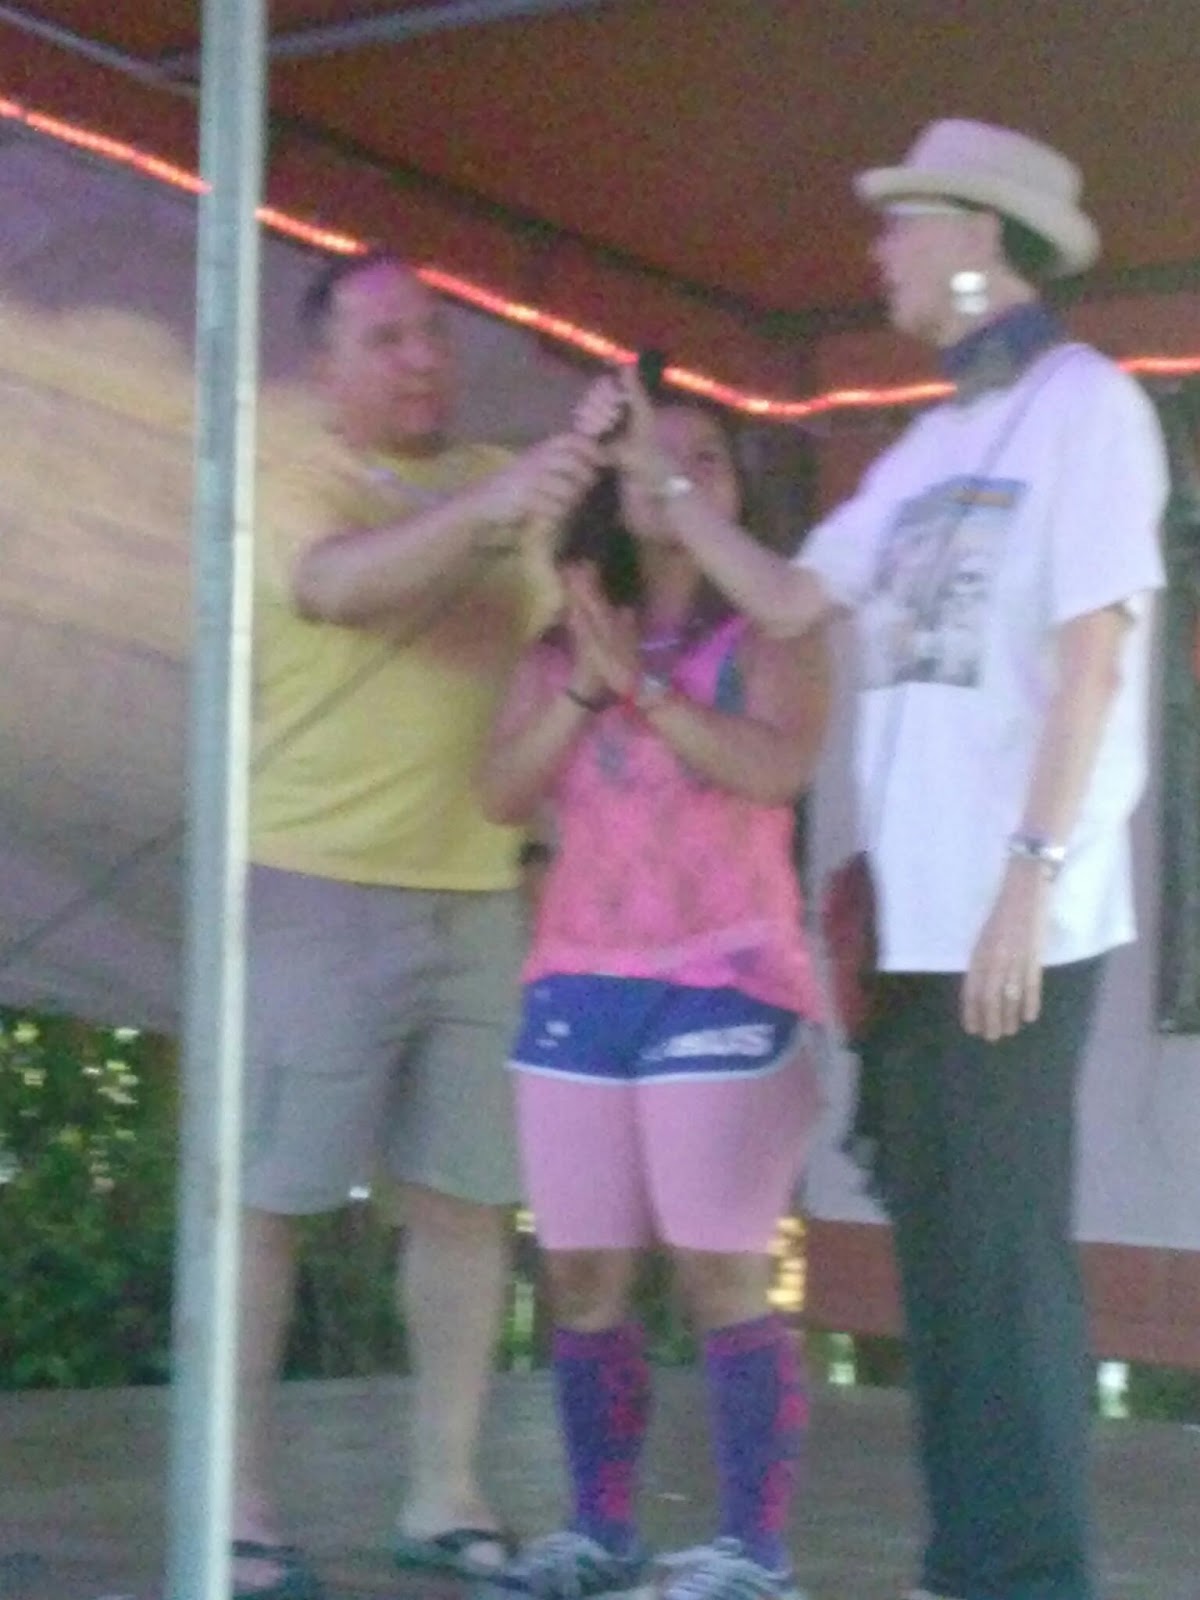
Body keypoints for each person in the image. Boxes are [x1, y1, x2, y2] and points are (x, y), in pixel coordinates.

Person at [590, 122, 1169, 1600]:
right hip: (911, 924)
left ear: (978, 233)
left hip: (1019, 916)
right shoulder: (931, 444)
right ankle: (968, 1561)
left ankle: (1026, 1575)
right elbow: (790, 597)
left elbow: (1094, 657)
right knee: (944, 1258)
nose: (878, 253)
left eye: (902, 223)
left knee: (1001, 1254)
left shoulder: (1089, 408)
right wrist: (666, 489)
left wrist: (1031, 874)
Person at [236, 252, 600, 1600]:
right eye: (386, 337)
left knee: (467, 1200)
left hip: (482, 885)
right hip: (311, 882)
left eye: (435, 334)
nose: (420, 359)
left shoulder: (506, 479)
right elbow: (335, 585)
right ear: (324, 366)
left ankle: (446, 1491)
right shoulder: (286, 473)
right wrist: (500, 505)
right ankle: (238, 1497)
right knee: (267, 1198)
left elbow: (573, 646)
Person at [479, 393, 831, 1600]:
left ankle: (752, 1553)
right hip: (578, 977)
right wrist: (588, 686)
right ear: (609, 488)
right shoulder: (559, 640)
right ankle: (600, 1533)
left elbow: (778, 767)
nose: (674, 474)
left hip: (727, 976)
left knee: (721, 1269)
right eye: (649, 456)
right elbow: (498, 794)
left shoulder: (776, 627)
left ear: (738, 490)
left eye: (706, 457)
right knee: (581, 1275)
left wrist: (653, 692)